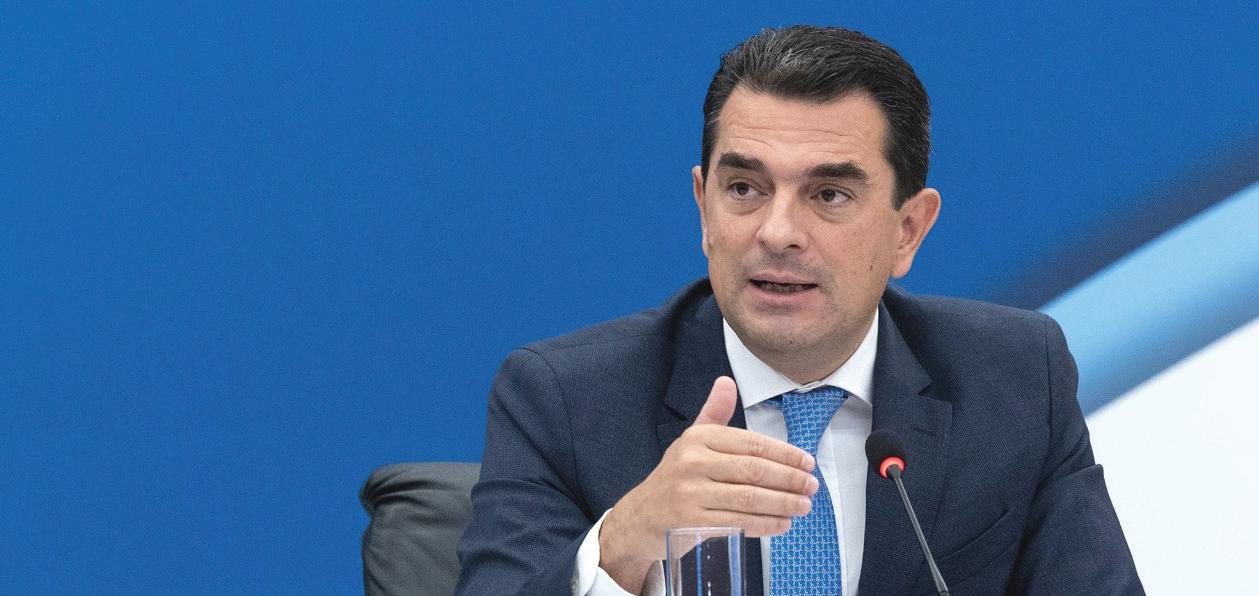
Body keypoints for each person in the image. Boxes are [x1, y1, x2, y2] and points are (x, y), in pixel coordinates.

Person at [455, 25, 1142, 596]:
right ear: (703, 208)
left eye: (828, 195)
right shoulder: (566, 399)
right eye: (744, 188)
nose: (777, 232)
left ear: (907, 231)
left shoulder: (1014, 378)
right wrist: (622, 545)